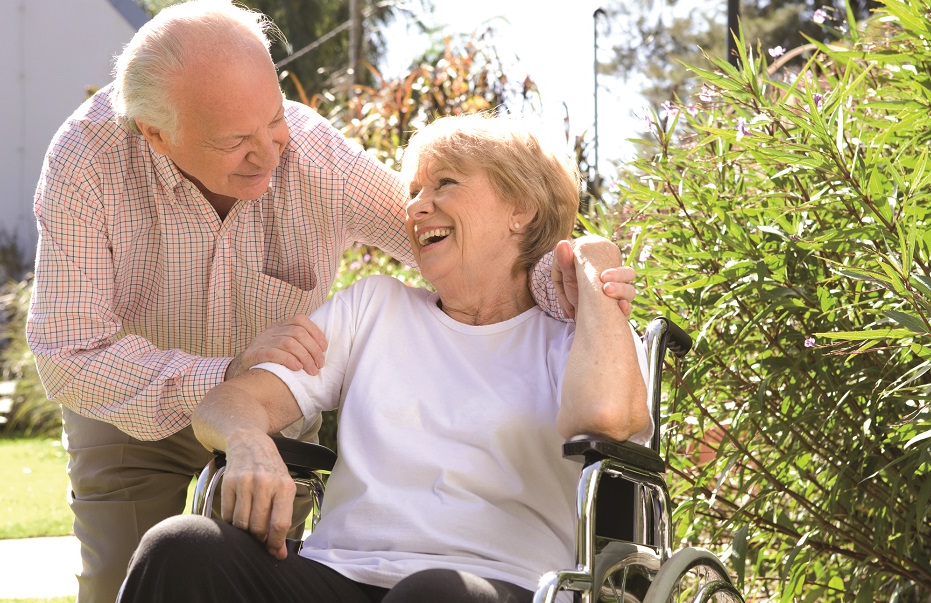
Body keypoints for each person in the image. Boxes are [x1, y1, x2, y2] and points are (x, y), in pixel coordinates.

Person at [25, 2, 634, 601]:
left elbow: (446, 240)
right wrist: (238, 418)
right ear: (158, 134)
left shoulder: (313, 155)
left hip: (317, 452)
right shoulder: (89, 160)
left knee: (432, 594)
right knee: (151, 561)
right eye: (238, 139)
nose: (270, 152)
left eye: (274, 119)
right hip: (129, 398)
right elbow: (68, 352)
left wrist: (579, 275)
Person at [117, 113, 650, 603]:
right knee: (180, 546)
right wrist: (248, 439)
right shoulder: (374, 307)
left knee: (434, 595)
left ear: (521, 209)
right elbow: (228, 402)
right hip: (339, 574)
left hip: (491, 581)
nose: (416, 206)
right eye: (414, 191)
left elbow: (602, 417)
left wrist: (593, 266)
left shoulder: (574, 338)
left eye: (445, 184)